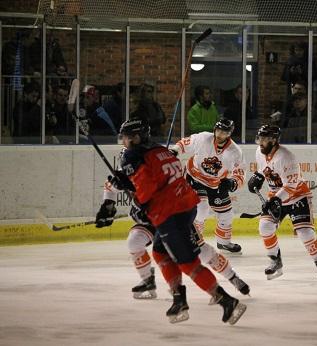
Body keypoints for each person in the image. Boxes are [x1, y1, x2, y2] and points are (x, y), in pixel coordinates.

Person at [107, 118, 246, 325]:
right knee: (159, 252)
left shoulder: (134, 156)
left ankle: (227, 301)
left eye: (126, 138)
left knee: (188, 263)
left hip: (170, 213)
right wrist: (127, 182)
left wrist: (139, 202)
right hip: (186, 204)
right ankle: (179, 299)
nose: (124, 142)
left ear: (136, 138)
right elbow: (162, 176)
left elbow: (146, 189)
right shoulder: (159, 150)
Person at [95, 178, 250, 299]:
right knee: (134, 242)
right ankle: (148, 281)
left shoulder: (153, 169)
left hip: (174, 218)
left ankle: (232, 277)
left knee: (202, 252)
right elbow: (110, 185)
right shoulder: (128, 172)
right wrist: (108, 206)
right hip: (151, 220)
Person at [247, 124, 317, 281]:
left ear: (274, 140)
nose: (261, 142)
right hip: (275, 196)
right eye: (260, 139)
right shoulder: (259, 151)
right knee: (265, 226)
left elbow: (291, 186)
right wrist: (257, 177)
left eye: (264, 139)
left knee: (305, 233)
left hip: (298, 196)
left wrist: (276, 200)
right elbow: (265, 169)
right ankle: (275, 261)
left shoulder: (286, 157)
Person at [171, 118, 245, 254]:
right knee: (202, 208)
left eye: (224, 132)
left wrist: (232, 183)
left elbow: (240, 174)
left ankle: (223, 242)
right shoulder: (203, 138)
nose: (219, 134)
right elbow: (184, 143)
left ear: (229, 134)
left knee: (227, 215)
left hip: (216, 183)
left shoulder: (235, 152)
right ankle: (194, 240)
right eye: (218, 130)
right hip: (194, 176)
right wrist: (175, 150)